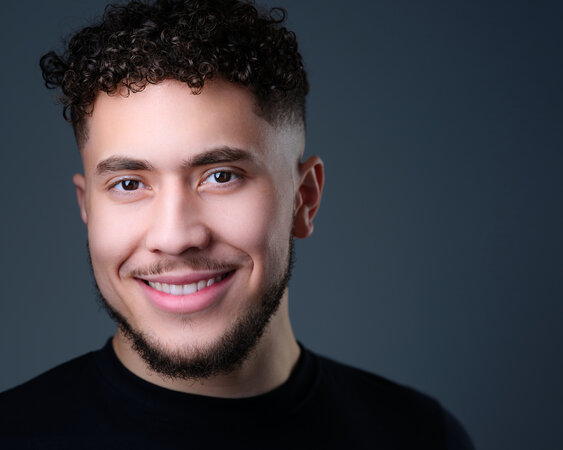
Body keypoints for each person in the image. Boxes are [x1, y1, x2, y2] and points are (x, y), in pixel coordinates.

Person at [0, 1, 473, 448]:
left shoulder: (421, 436)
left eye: (221, 176)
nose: (174, 237)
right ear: (87, 208)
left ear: (304, 199)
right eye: (128, 184)